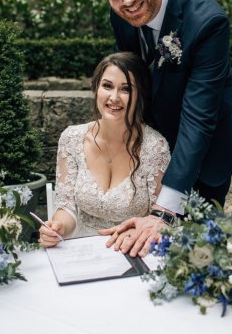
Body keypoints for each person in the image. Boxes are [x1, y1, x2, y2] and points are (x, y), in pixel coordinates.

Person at [97, 0, 232, 257]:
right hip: (159, 138)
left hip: (209, 138)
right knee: (149, 243)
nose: (127, 1)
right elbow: (131, 79)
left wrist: (166, 211)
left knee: (201, 245)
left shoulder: (208, 22)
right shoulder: (120, 14)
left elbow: (198, 118)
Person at [38, 52, 170, 252]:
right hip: (81, 253)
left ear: (140, 95)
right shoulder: (71, 139)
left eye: (126, 89)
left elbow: (158, 219)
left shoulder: (155, 147)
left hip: (133, 251)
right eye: (107, 86)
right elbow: (66, 206)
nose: (114, 97)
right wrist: (58, 228)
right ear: (96, 88)